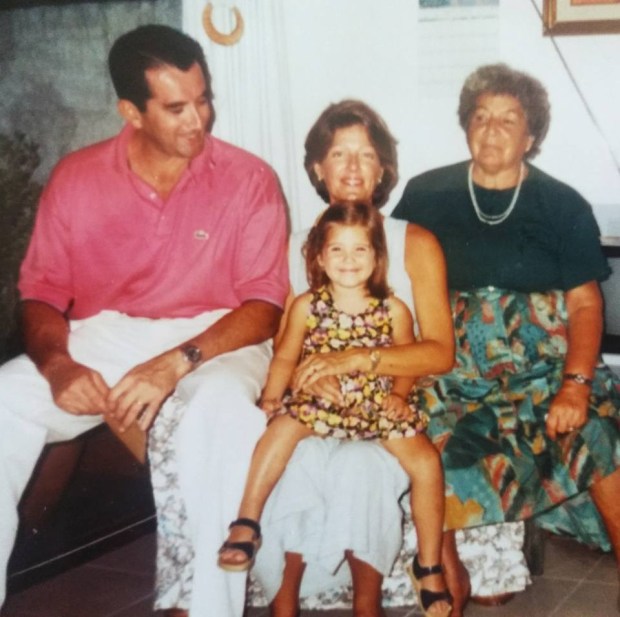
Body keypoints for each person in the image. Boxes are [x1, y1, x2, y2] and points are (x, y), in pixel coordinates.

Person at [0, 23, 289, 616]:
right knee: (3, 401)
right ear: (129, 111)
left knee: (220, 414)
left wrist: (175, 362)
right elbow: (42, 293)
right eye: (177, 107)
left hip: (219, 334)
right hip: (110, 330)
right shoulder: (76, 177)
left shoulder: (248, 177)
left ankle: (212, 607)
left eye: (204, 99)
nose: (199, 120)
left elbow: (263, 304)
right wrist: (56, 365)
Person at [391, 63, 620, 609]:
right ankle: (444, 585)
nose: (491, 131)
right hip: (452, 368)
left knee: (602, 434)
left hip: (545, 368)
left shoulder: (561, 204)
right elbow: (394, 285)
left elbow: (586, 303)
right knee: (425, 444)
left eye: (508, 120)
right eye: (480, 118)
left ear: (531, 135)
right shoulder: (427, 193)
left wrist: (577, 383)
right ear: (465, 126)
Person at [218, 202, 452, 617]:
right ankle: (247, 522)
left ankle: (428, 564)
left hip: (376, 403)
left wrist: (398, 395)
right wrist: (273, 397)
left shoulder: (393, 309)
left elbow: (408, 360)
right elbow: (286, 358)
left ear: (378, 258)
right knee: (280, 430)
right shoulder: (307, 306)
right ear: (319, 257)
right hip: (320, 401)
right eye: (337, 251)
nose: (348, 261)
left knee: (426, 462)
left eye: (360, 250)